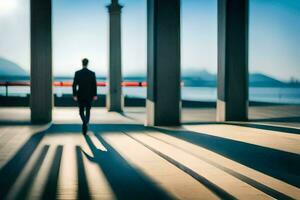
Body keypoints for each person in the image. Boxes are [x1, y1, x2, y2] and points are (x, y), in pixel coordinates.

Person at [72, 58, 97, 134]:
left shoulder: (77, 73)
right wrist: (95, 95)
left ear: (82, 63)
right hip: (89, 95)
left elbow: (74, 85)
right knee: (88, 111)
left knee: (81, 111)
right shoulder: (92, 73)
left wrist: (74, 94)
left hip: (80, 95)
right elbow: (94, 86)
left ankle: (84, 122)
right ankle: (86, 123)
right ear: (87, 63)